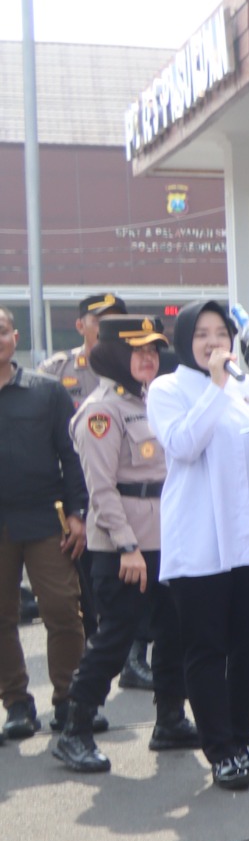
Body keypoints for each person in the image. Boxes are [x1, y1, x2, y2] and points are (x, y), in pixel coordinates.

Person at [152, 299, 249, 790]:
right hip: (202, 543)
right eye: (202, 334)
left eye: (221, 333)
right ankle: (219, 749)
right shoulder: (167, 388)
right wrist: (215, 387)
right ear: (184, 340)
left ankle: (243, 739)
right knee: (207, 647)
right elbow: (185, 444)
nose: (214, 343)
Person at [51, 317, 194, 771]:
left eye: (153, 350)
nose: (149, 358)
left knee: (175, 632)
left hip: (165, 538)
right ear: (114, 355)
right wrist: (128, 547)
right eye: (138, 351)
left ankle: (169, 718)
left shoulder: (155, 400)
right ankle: (75, 729)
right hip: (122, 545)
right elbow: (102, 490)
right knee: (114, 638)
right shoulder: (101, 411)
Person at [0, 303, 87, 742]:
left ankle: (70, 699)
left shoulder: (46, 391)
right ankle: (16, 702)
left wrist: (77, 514)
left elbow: (70, 456)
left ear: (15, 338)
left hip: (44, 518)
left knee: (62, 610)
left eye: (1, 330)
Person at [36, 289, 119, 408]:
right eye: (99, 321)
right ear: (80, 326)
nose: (107, 329)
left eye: (114, 322)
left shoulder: (136, 368)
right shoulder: (55, 369)